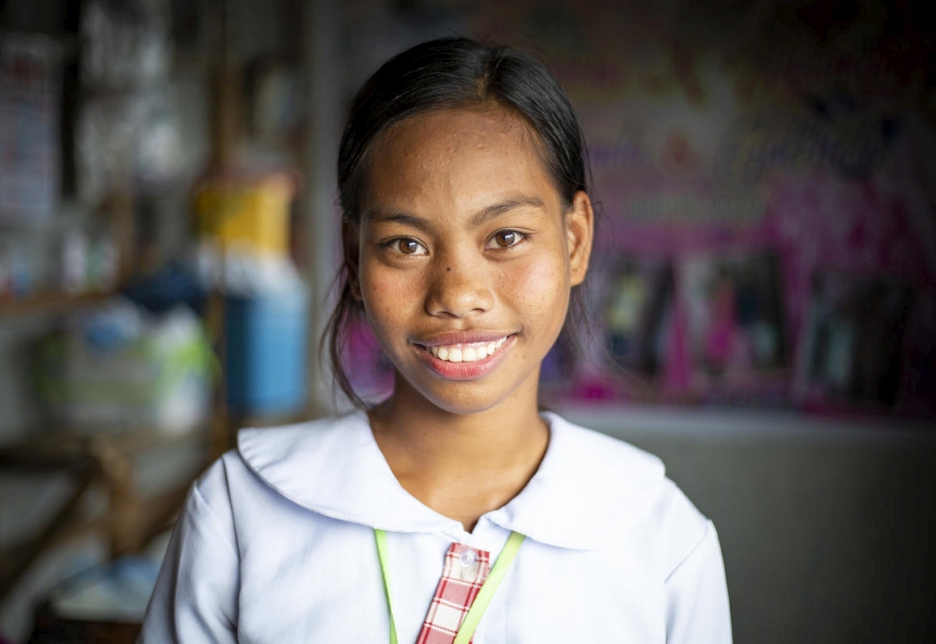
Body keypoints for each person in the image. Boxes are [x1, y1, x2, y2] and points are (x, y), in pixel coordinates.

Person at [139, 37, 732, 643]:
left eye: (506, 236)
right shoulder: (243, 511)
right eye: (406, 244)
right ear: (354, 256)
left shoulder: (659, 539)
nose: (457, 293)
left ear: (575, 241)